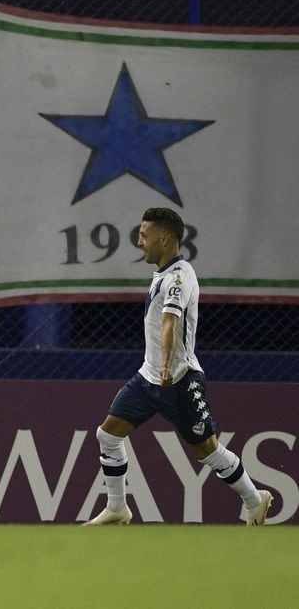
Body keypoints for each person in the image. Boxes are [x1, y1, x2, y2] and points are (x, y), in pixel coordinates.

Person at [83, 208, 273, 526]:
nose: (140, 242)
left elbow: (171, 323)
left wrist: (168, 366)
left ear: (165, 238)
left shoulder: (179, 277)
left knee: (208, 450)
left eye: (144, 236)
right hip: (148, 377)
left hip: (178, 380)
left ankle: (255, 500)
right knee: (108, 436)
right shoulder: (162, 273)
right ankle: (117, 508)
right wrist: (157, 369)